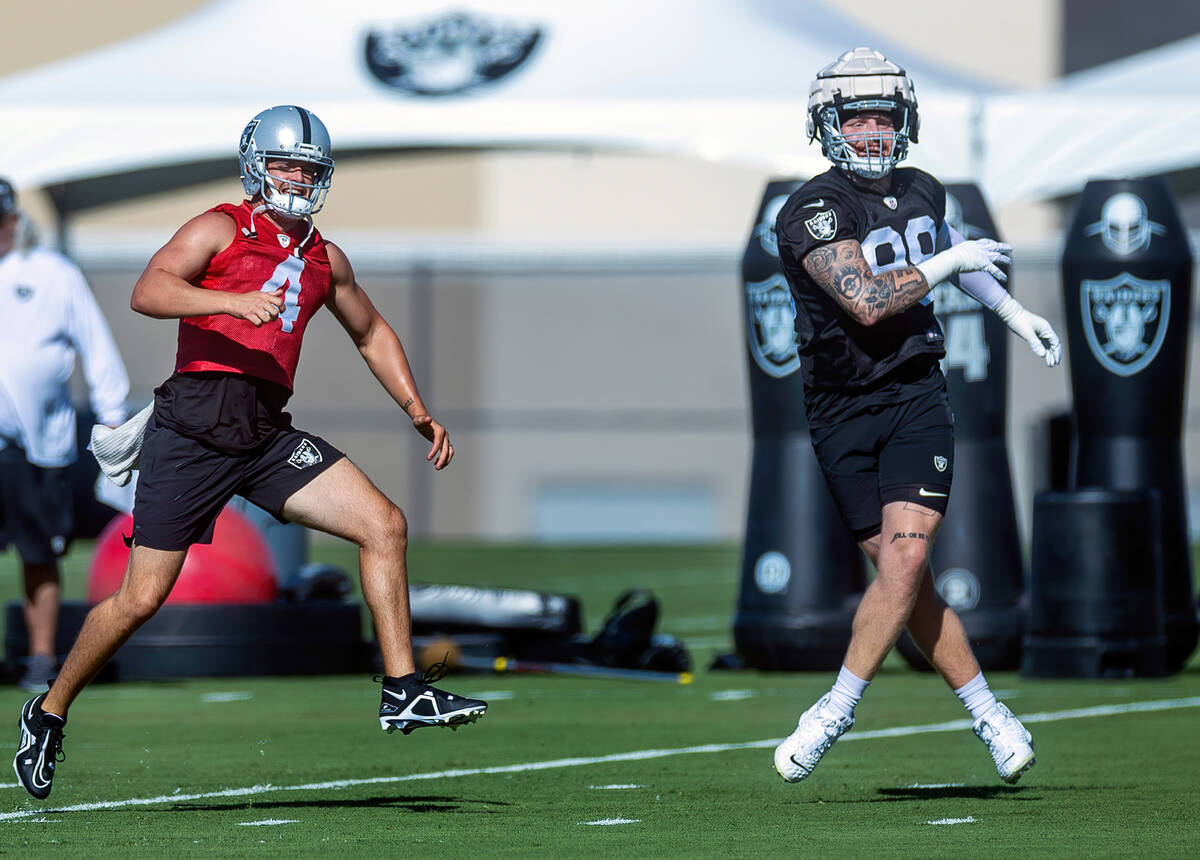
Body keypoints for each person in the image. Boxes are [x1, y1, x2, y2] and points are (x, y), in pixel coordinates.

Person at [14, 106, 486, 800]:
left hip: (263, 434)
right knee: (141, 598)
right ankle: (48, 711)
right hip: (192, 431)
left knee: (383, 525)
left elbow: (372, 332)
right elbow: (149, 290)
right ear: (257, 165)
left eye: (309, 169)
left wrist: (417, 409)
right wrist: (229, 303)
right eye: (286, 164)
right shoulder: (219, 226)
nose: (297, 178)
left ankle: (403, 688)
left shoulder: (324, 256)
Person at [770, 49, 1061, 786]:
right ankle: (991, 712)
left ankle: (835, 708)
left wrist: (1013, 310)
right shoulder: (812, 208)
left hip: (914, 395)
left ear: (906, 122)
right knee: (907, 583)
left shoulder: (923, 188)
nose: (872, 130)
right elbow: (866, 300)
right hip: (839, 407)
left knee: (905, 562)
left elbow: (954, 262)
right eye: (857, 116)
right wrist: (949, 260)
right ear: (827, 125)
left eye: (884, 116)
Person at [0, 178, 129, 694]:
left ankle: (39, 658)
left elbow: (95, 342)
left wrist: (113, 413)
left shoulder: (51, 273)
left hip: (40, 446)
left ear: (13, 219)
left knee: (39, 553)